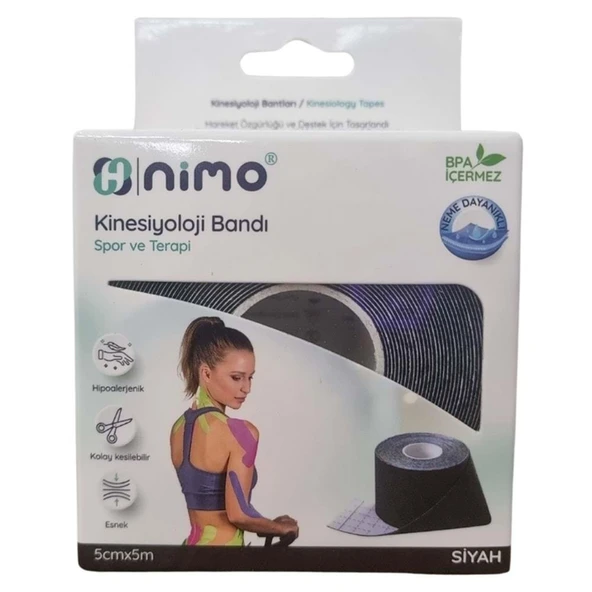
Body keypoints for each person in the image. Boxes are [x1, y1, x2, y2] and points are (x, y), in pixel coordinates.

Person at [170, 316, 299, 546]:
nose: (246, 388)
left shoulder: (178, 428)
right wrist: (281, 528)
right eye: (236, 377)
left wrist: (267, 524)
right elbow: (239, 515)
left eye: (250, 377)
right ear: (206, 373)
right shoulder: (239, 432)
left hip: (188, 552)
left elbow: (211, 507)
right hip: (225, 556)